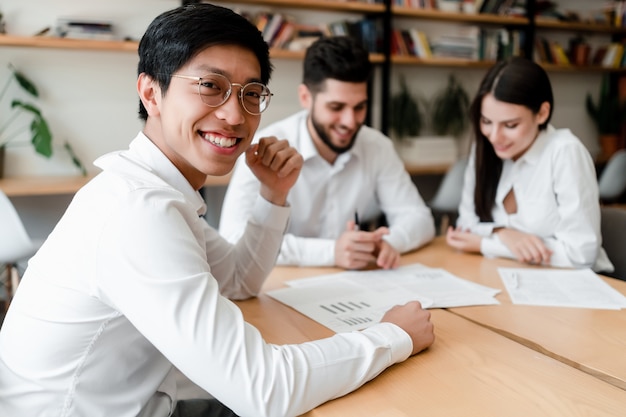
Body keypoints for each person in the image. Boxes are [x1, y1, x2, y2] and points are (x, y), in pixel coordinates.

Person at [0, 4, 435, 417]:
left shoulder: (158, 191)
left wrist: (274, 194)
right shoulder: (139, 210)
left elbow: (239, 280)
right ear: (151, 92)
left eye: (251, 93)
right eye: (211, 86)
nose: (234, 114)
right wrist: (393, 335)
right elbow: (265, 390)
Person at [219, 36, 435, 271]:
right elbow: (234, 236)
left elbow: (419, 219)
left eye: (359, 107)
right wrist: (331, 252)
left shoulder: (376, 146)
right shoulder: (265, 148)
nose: (350, 122)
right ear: (305, 98)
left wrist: (384, 243)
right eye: (336, 107)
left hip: (354, 286)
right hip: (279, 285)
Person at [446, 56, 614, 273]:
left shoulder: (565, 152)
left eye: (510, 125)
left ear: (542, 113)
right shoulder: (484, 149)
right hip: (510, 276)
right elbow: (465, 226)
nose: (495, 137)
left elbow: (580, 256)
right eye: (486, 122)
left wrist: (486, 243)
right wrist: (502, 233)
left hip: (574, 285)